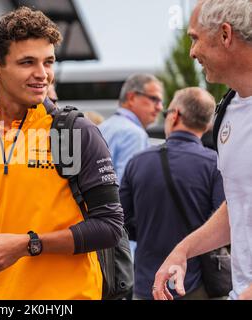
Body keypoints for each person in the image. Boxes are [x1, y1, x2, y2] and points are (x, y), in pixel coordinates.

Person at [0, 7, 124, 300]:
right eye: (28, 62)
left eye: (48, 62)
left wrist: (29, 244)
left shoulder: (75, 132)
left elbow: (109, 227)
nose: (42, 75)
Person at [153, 0, 252, 300]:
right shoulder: (226, 112)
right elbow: (239, 201)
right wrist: (184, 250)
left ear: (225, 34)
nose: (192, 52)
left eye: (195, 38)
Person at [121, 87, 225, 300]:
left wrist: (149, 231)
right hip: (196, 285)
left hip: (147, 284)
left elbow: (121, 221)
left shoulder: (137, 162)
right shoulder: (215, 164)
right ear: (207, 125)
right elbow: (224, 221)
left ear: (175, 115)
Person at [98, 74, 164, 183]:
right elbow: (128, 187)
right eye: (154, 99)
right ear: (132, 98)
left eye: (161, 102)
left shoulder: (101, 128)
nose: (160, 107)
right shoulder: (134, 134)